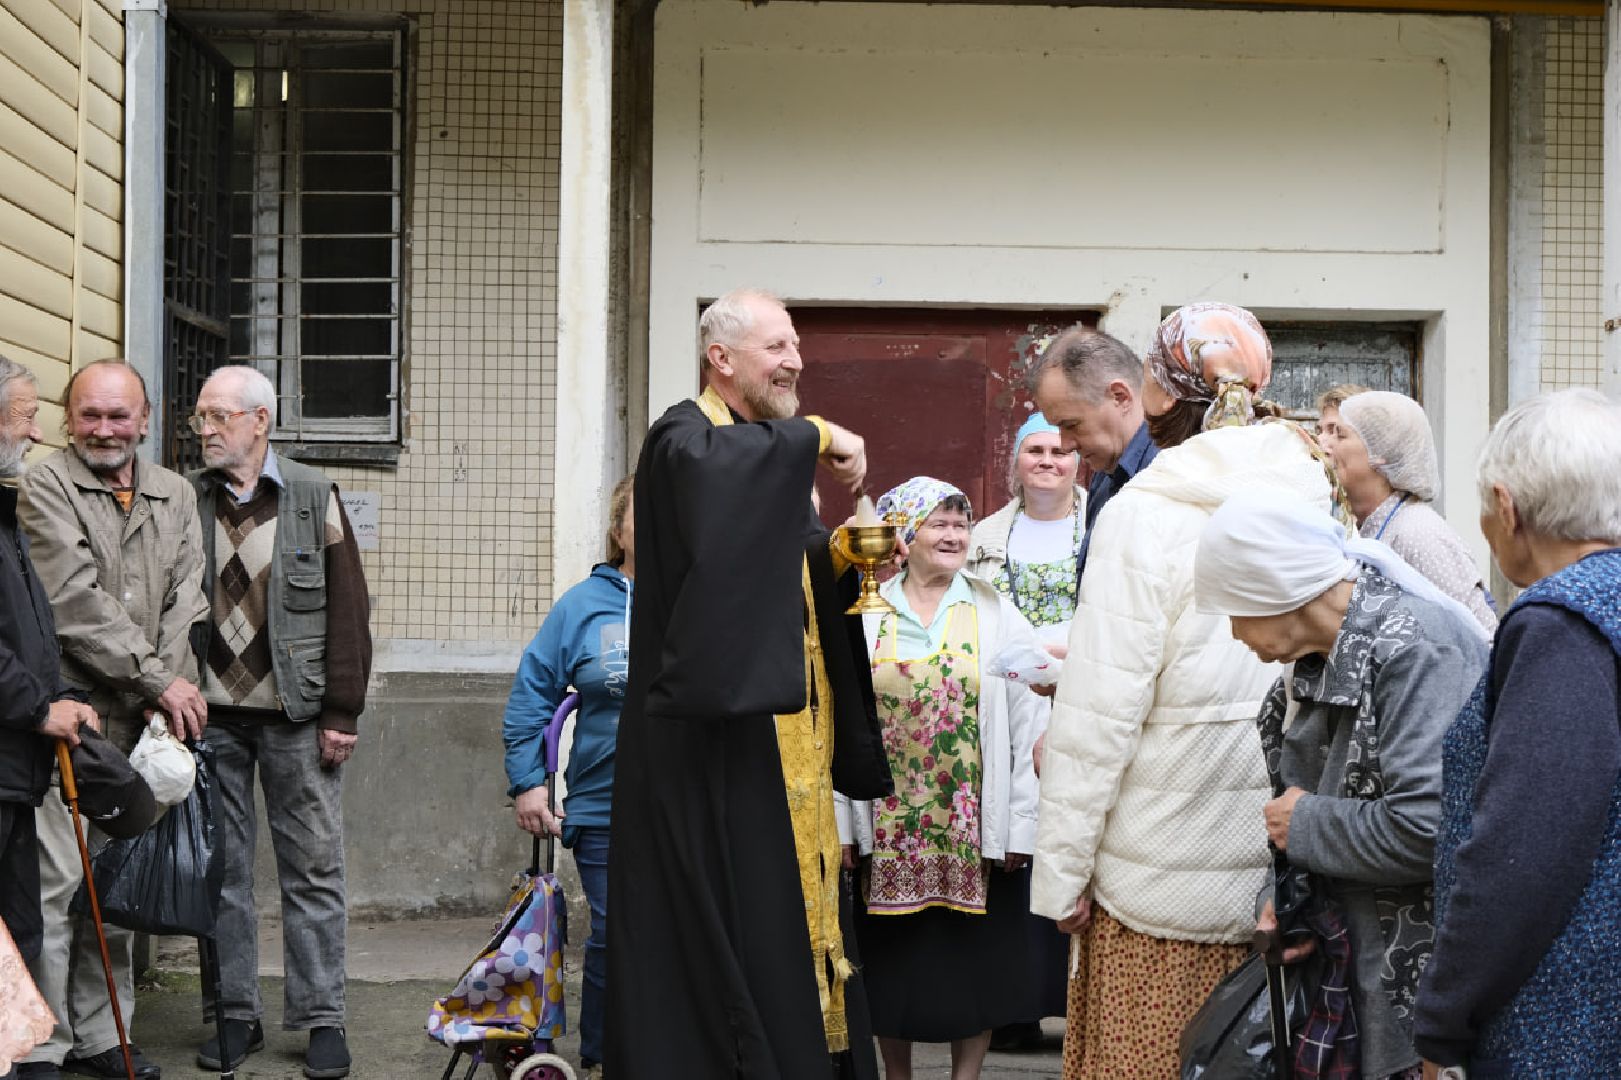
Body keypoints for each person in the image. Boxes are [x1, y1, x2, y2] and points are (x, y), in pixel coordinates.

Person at [1030, 302, 1341, 1079]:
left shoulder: (1145, 513)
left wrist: (1061, 876)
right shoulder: (1315, 494)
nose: (1064, 449)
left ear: (1151, 396)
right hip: (1273, 879)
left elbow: (1100, 716)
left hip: (1156, 879)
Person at [606, 288, 892, 1080]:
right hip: (713, 745)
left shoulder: (755, 445)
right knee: (737, 915)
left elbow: (783, 573)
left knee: (790, 914)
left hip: (786, 740)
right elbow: (713, 489)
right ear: (720, 359)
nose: (794, 359)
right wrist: (824, 433)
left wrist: (844, 561)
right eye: (776, 346)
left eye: (795, 344)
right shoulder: (684, 437)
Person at [1195, 489, 1488, 1080]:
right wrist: (1285, 903)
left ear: (1273, 588)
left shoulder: (1415, 647)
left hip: (1418, 994)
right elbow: (1301, 812)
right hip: (1350, 968)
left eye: (1233, 608)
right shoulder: (1311, 667)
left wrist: (1303, 826)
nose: (1232, 632)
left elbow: (1429, 828)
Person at [1415, 389, 1621, 1078]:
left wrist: (1443, 1017)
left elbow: (1523, 850)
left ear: (1506, 507)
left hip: (1565, 1021)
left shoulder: (1560, 624)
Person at [16, 361, 210, 1080]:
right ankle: (46, 1043)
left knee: (117, 886)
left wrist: (166, 690)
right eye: (90, 415)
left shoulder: (174, 492)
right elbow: (71, 600)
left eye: (118, 416)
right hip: (73, 722)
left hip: (143, 724)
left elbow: (187, 598)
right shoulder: (46, 485)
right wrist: (160, 679)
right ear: (69, 419)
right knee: (56, 884)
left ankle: (106, 1036)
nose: (104, 429)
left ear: (146, 417)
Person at [187, 366, 371, 1079]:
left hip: (296, 716)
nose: (205, 430)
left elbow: (349, 611)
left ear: (259, 421)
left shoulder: (309, 493)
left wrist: (341, 711)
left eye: (219, 417)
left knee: (314, 871)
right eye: (202, 418)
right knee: (223, 874)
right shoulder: (186, 498)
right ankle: (236, 1014)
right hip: (212, 719)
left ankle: (322, 1018)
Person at [836, 478, 1048, 1079]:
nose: (955, 535)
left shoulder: (992, 609)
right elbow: (842, 719)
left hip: (971, 828)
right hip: (888, 826)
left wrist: (1022, 825)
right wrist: (840, 821)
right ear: (903, 536)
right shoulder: (869, 611)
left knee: (975, 967)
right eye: (940, 524)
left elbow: (1029, 716)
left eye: (962, 523)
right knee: (889, 965)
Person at [502, 473, 634, 1080]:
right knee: (614, 929)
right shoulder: (584, 605)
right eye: (642, 514)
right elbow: (533, 695)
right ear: (618, 530)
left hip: (688, 801)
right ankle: (605, 1054)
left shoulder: (699, 596)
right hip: (604, 801)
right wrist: (530, 782)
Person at [0, 356, 98, 1080]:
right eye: (26, 415)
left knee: (22, 927)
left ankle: (25, 1060)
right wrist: (40, 707)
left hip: (16, 767)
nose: (37, 432)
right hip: (7, 752)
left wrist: (61, 691)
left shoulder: (7, 507)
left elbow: (29, 628)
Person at [1316, 390, 1497, 633]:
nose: (1322, 444)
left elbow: (1479, 637)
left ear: (1380, 450)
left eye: (1340, 435)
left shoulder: (1418, 533)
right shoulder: (1364, 527)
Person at [1028, 327, 1158, 583]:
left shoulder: (1174, 470)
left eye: (1072, 424)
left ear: (1120, 397)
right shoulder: (1104, 477)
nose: (1065, 445)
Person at [968, 412, 1086, 648]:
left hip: (1078, 674)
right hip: (1003, 679)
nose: (1046, 461)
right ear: (1016, 461)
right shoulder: (985, 536)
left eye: (1059, 452)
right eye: (1035, 451)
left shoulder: (1098, 527)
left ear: (1076, 464)